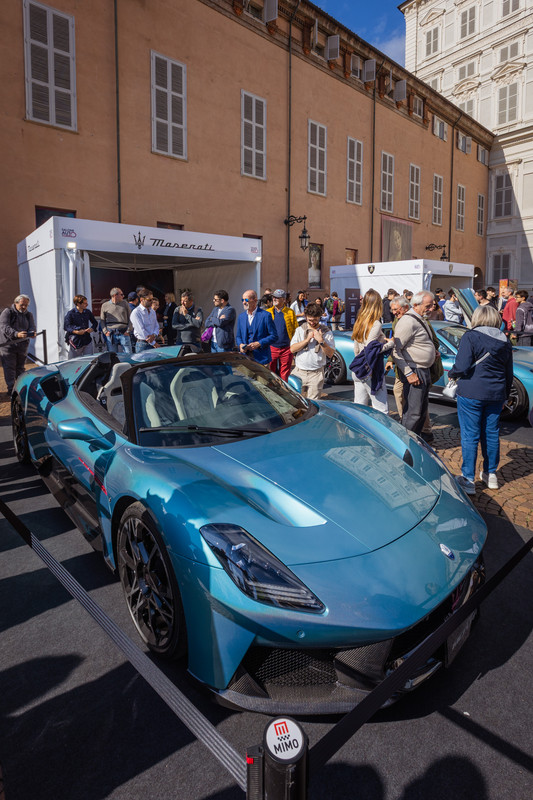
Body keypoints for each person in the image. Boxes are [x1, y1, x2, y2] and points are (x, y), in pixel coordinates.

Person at [448, 304, 513, 495]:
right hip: (496, 393)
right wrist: (505, 396)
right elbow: (508, 373)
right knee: (491, 434)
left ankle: (468, 478)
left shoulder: (471, 336)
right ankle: (490, 473)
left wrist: (452, 373)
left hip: (471, 391)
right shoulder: (505, 341)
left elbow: (461, 366)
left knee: (470, 435)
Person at [392, 291, 438, 436]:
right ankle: (405, 446)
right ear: (416, 305)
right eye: (428, 306)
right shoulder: (408, 321)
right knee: (413, 413)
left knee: (421, 412)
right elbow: (395, 351)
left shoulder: (419, 318)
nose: (431, 309)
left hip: (422, 370)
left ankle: (415, 443)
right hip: (415, 371)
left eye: (432, 305)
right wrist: (409, 373)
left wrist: (432, 352)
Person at [351, 289, 393, 413]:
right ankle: (381, 432)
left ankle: (357, 431)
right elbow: (370, 348)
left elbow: (357, 349)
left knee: (359, 408)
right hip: (371, 370)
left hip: (359, 369)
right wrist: (390, 344)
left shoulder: (360, 321)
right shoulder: (376, 323)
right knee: (381, 408)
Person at [290, 303, 335, 400]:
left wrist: (321, 341)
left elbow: (330, 354)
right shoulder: (300, 330)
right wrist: (306, 340)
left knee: (313, 404)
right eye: (310, 320)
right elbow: (292, 349)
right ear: (306, 317)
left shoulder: (326, 332)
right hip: (299, 372)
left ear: (319, 317)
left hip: (316, 373)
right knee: (296, 402)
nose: (313, 322)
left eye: (315, 320)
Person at [0, 294, 36, 395]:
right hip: (8, 346)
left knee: (20, 367)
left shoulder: (29, 314)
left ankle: (20, 387)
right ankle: (11, 389)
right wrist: (16, 334)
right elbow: (4, 327)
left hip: (22, 345)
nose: (24, 307)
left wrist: (32, 332)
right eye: (22, 305)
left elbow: (32, 326)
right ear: (16, 303)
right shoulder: (7, 312)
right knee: (10, 367)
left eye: (26, 305)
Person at [236, 289, 277, 365]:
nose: (244, 302)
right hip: (246, 359)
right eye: (242, 300)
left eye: (246, 300)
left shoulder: (265, 315)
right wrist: (240, 345)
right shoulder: (241, 317)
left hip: (262, 358)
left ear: (255, 300)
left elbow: (274, 336)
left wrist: (259, 343)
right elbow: (238, 336)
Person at [267, 289, 298, 381]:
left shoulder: (290, 312)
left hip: (286, 348)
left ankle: (284, 391)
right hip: (272, 347)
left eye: (277, 297)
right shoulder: (268, 312)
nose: (274, 299)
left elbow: (295, 329)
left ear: (284, 300)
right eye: (274, 297)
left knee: (284, 374)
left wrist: (294, 345)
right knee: (270, 372)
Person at [64, 294, 98, 359]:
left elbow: (95, 322)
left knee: (89, 360)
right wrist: (76, 332)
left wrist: (92, 329)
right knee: (74, 361)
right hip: (76, 341)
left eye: (87, 303)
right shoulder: (71, 313)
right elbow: (66, 326)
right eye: (85, 303)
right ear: (78, 304)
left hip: (87, 340)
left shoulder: (87, 312)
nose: (87, 305)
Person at [100, 287, 132, 353]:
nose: (123, 296)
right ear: (115, 295)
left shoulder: (125, 303)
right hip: (111, 333)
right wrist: (105, 332)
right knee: (112, 355)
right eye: (121, 294)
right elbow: (102, 320)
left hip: (124, 332)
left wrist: (128, 331)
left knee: (128, 354)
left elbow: (131, 318)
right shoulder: (105, 305)